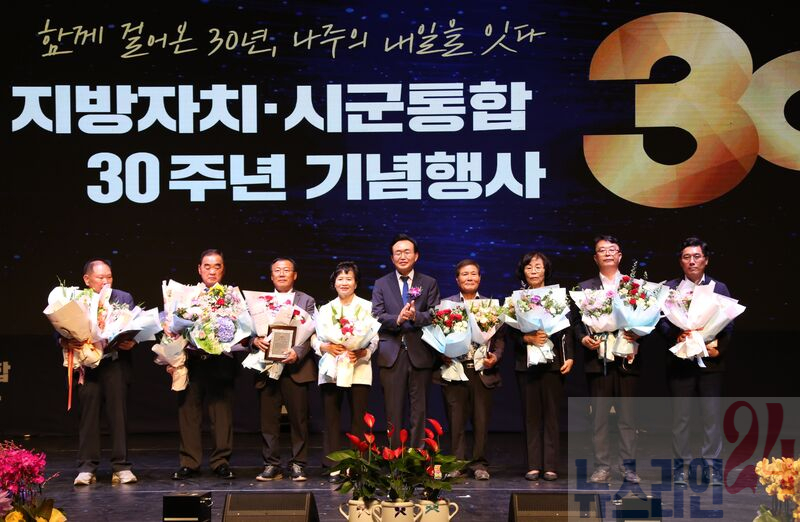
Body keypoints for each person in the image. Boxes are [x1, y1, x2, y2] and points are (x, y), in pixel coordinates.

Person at [659, 237, 732, 487]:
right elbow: (661, 322)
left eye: (697, 256)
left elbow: (728, 324)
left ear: (706, 260)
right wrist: (675, 335)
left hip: (710, 363)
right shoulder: (670, 288)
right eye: (686, 257)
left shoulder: (718, 287)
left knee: (711, 417)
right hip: (680, 362)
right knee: (681, 418)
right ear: (681, 261)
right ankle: (681, 468)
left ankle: (712, 468)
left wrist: (717, 350)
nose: (692, 261)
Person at [574, 235, 641, 483]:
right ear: (595, 258)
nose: (608, 253)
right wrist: (583, 339)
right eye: (602, 250)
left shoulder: (634, 286)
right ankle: (601, 466)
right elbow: (576, 322)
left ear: (620, 255)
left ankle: (628, 467)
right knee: (599, 418)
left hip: (627, 358)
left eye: (612, 250)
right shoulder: (584, 288)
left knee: (628, 417)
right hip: (598, 358)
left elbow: (648, 317)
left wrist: (639, 332)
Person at [66, 259, 138, 485]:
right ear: (87, 280)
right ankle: (87, 467)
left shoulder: (123, 298)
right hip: (88, 366)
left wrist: (132, 341)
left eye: (109, 277)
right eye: (100, 278)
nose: (106, 281)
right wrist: (66, 340)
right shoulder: (76, 300)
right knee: (88, 416)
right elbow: (60, 329)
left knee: (118, 415)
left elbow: (134, 328)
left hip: (114, 363)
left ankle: (121, 466)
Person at [507, 252, 574, 481]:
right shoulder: (516, 299)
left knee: (552, 415)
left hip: (553, 363)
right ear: (523, 271)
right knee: (531, 415)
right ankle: (533, 464)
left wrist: (569, 357)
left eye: (538, 266)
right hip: (526, 364)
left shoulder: (557, 297)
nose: (534, 271)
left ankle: (551, 465)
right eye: (529, 267)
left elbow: (566, 330)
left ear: (546, 270)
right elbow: (510, 333)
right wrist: (527, 338)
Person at [172, 249, 237, 481]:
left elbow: (243, 327)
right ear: (199, 269)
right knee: (188, 412)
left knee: (222, 413)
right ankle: (189, 462)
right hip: (193, 360)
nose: (212, 271)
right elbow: (173, 326)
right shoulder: (187, 296)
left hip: (221, 360)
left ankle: (221, 462)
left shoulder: (232, 296)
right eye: (207, 266)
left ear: (223, 269)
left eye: (217, 266)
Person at [435, 259, 502, 481]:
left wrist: (496, 357)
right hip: (455, 370)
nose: (469, 278)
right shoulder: (447, 305)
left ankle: (479, 463)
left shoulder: (490, 305)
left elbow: (499, 338)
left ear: (480, 278)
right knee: (456, 420)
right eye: (465, 274)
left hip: (481, 370)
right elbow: (436, 335)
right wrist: (441, 353)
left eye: (473, 274)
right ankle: (458, 463)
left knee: (481, 421)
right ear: (457, 279)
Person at [371, 234, 441, 447]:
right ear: (392, 258)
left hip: (420, 353)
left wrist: (415, 316)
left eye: (407, 252)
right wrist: (398, 319)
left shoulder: (428, 282)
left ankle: (417, 455)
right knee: (393, 410)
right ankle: (394, 456)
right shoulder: (381, 283)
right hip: (391, 354)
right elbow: (376, 316)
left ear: (416, 256)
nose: (402, 256)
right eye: (398, 253)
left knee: (419, 410)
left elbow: (435, 314)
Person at [311, 261, 378, 483]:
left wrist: (363, 352)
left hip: (358, 368)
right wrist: (324, 347)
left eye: (349, 279)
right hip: (331, 369)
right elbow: (314, 338)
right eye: (340, 279)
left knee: (358, 418)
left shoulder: (367, 307)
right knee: (331, 419)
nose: (344, 282)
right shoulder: (325, 309)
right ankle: (334, 466)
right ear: (334, 283)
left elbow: (375, 338)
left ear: (356, 283)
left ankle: (357, 465)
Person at [253, 257, 316, 482]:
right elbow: (249, 331)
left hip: (295, 367)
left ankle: (298, 464)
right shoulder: (260, 302)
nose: (281, 274)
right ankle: (271, 464)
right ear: (271, 276)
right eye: (277, 271)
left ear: (294, 275)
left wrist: (297, 352)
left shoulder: (307, 300)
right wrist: (255, 341)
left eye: (286, 270)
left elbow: (312, 333)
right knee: (269, 420)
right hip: (267, 366)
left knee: (299, 420)